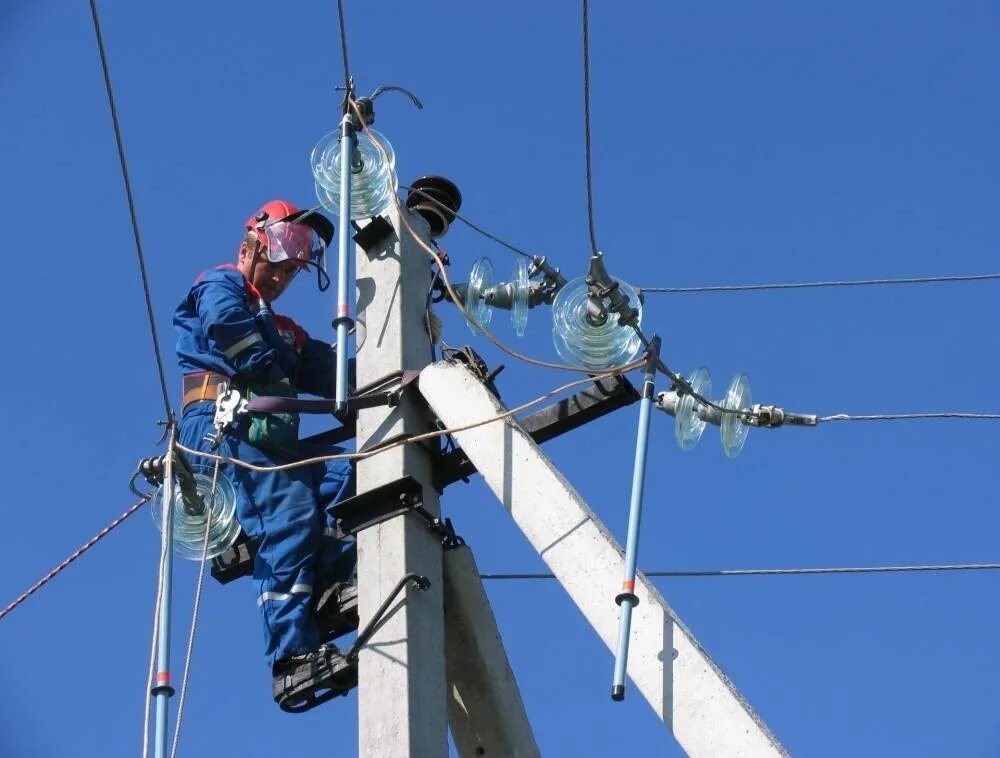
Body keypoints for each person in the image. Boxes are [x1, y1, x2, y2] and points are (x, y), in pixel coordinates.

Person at [173, 199, 356, 702]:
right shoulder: (222, 282)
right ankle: (292, 658)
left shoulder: (283, 330)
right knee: (290, 510)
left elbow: (336, 374)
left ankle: (325, 592)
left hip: (262, 433)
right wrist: (271, 370)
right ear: (249, 246)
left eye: (294, 268)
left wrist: (401, 373)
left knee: (347, 478)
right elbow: (225, 323)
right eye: (277, 260)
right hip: (221, 428)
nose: (282, 275)